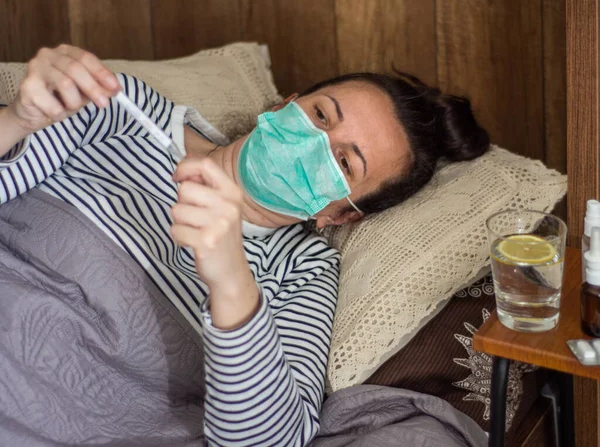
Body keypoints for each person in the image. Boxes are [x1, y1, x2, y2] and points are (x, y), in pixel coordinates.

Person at [0, 45, 489, 446]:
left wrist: (230, 279)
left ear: (338, 214)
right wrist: (18, 120)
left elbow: (266, 440)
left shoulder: (304, 269)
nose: (314, 142)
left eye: (343, 163)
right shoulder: (126, 111)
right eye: (321, 115)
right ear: (282, 106)